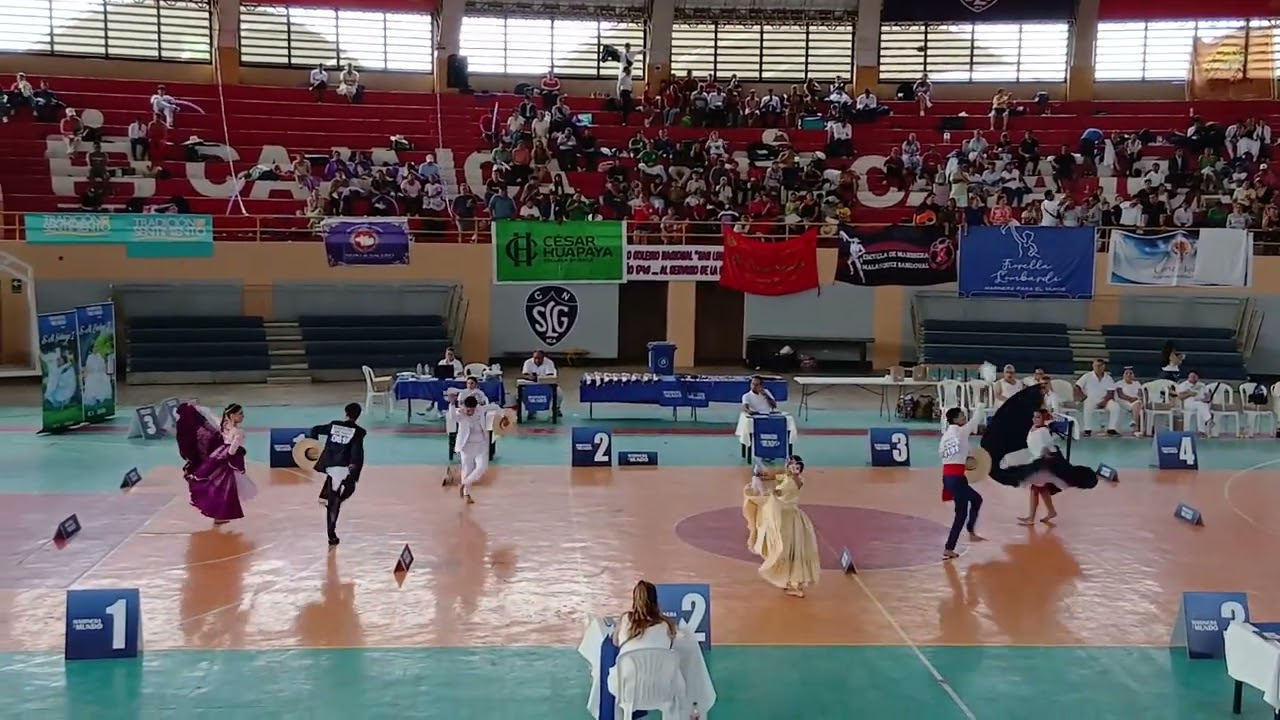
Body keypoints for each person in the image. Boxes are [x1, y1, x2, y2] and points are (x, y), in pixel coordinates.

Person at [742, 455, 820, 597]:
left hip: (790, 520)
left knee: (788, 549)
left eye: (794, 465)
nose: (790, 467)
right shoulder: (785, 476)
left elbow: (777, 492)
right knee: (785, 549)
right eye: (789, 464)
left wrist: (762, 490)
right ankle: (789, 580)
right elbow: (771, 476)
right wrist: (759, 474)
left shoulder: (795, 481)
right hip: (782, 517)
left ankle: (795, 583)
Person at [175, 402, 258, 525]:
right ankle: (219, 515)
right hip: (224, 463)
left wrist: (196, 408)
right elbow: (231, 451)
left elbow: (210, 416)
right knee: (224, 490)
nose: (242, 416)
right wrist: (237, 455)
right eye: (240, 414)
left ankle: (218, 515)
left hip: (215, 459)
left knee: (215, 488)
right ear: (232, 415)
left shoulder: (224, 427)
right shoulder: (238, 432)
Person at [309, 403, 367, 547]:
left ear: (346, 413)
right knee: (341, 496)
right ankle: (331, 534)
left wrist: (316, 446)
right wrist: (354, 469)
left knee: (334, 486)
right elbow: (357, 452)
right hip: (343, 469)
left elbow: (315, 429)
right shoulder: (359, 432)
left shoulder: (334, 425)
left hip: (330, 466)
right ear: (358, 415)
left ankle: (327, 496)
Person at [443, 393, 510, 504]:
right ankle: (466, 494)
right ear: (464, 407)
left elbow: (495, 407)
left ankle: (464, 483)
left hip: (481, 445)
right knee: (467, 469)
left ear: (476, 407)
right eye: (467, 410)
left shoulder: (482, 409)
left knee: (482, 468)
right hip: (467, 446)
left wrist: (504, 415)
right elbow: (452, 416)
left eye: (471, 410)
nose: (469, 412)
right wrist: (452, 404)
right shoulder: (460, 413)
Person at [939, 407, 985, 560]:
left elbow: (947, 456)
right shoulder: (960, 432)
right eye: (962, 416)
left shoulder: (946, 437)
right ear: (955, 420)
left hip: (950, 477)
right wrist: (980, 406)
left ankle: (970, 531)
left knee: (976, 500)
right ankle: (949, 547)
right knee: (961, 513)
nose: (964, 418)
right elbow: (975, 421)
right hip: (957, 478)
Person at [1018, 411, 1060, 526]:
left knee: (1034, 490)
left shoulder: (1044, 431)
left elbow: (1049, 447)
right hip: (1036, 461)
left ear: (1043, 419)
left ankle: (1031, 518)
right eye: (1034, 417)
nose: (1034, 419)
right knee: (1042, 489)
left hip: (1042, 463)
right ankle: (1051, 511)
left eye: (1038, 417)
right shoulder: (1034, 428)